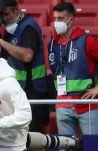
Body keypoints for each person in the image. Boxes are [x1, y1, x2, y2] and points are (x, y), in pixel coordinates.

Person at [0, 0, 49, 133]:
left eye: (6, 14)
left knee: (31, 134)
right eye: (0, 15)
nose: (4, 19)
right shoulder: (9, 27)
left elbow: (27, 55)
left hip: (32, 88)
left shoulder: (29, 27)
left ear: (16, 9)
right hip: (17, 87)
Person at [48, 2, 98, 135]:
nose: (56, 22)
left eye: (61, 18)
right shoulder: (52, 44)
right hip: (62, 104)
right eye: (54, 19)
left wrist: (97, 88)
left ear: (71, 19)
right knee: (66, 149)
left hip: (86, 105)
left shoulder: (88, 41)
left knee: (91, 148)